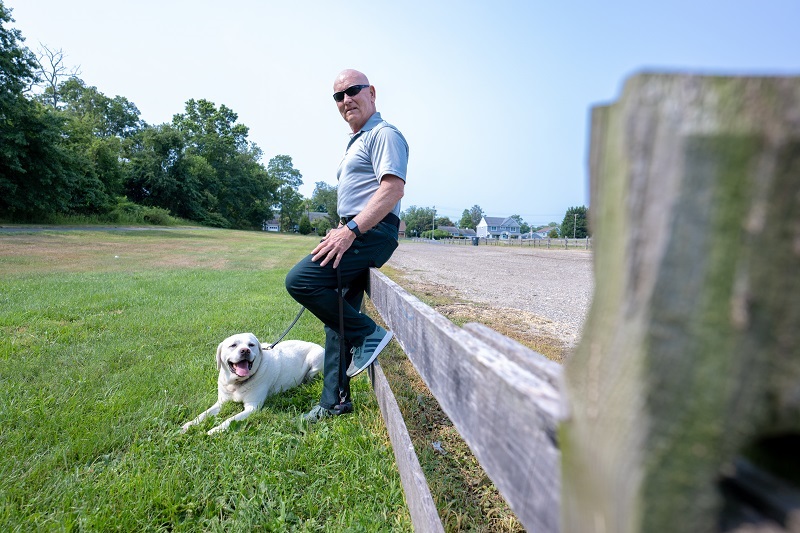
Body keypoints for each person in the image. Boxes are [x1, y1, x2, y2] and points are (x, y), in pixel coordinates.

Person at [285, 69, 408, 423]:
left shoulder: (384, 134)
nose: (345, 100)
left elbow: (391, 189)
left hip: (371, 233)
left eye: (352, 91)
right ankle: (334, 402)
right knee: (338, 315)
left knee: (300, 280)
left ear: (371, 92)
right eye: (338, 96)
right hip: (356, 231)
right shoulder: (357, 140)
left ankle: (369, 334)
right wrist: (341, 227)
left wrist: (351, 229)